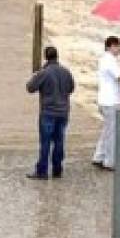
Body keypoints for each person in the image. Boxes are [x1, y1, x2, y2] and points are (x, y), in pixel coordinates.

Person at [25, 45, 75, 180]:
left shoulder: (44, 72)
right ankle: (57, 169)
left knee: (45, 142)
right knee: (59, 141)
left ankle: (42, 171)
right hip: (63, 112)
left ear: (46, 57)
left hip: (48, 112)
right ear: (57, 56)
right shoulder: (66, 71)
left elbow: (30, 88)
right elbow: (71, 88)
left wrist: (36, 76)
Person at [92, 36, 120, 171]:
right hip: (110, 101)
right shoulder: (109, 61)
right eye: (117, 46)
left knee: (107, 129)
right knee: (112, 132)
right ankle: (109, 161)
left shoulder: (105, 60)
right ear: (110, 47)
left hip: (105, 100)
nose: (119, 49)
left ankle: (99, 156)